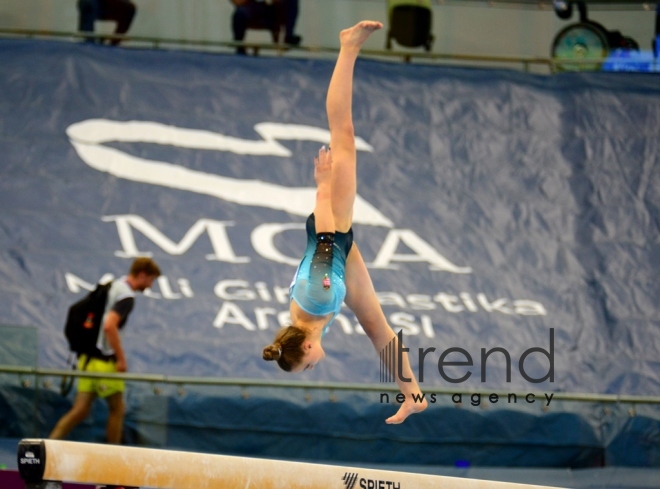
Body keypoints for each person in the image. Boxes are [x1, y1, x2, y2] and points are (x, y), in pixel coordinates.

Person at [262, 21, 427, 425]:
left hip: (332, 226)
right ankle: (413, 396)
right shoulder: (306, 320)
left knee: (344, 135)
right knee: (375, 325)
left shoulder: (315, 302)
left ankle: (348, 47)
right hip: (340, 250)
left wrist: (322, 187)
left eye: (310, 366)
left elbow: (322, 238)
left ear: (305, 348)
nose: (317, 364)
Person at [49, 257, 161, 444]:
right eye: (151, 280)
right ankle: (113, 459)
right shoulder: (126, 296)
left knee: (80, 410)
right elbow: (110, 326)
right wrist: (121, 359)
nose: (150, 286)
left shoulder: (112, 286)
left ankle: (47, 446)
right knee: (117, 409)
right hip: (104, 363)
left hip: (87, 360)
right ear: (142, 275)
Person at [229, 0, 301, 55]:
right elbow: (238, 2)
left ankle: (289, 37)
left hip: (273, 10)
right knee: (240, 14)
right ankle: (240, 48)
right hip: (252, 8)